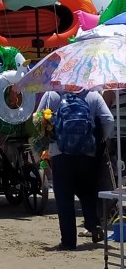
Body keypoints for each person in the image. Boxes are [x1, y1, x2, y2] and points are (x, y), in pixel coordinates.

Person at [38, 89, 114, 250]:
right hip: (87, 152)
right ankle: (93, 225)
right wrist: (99, 140)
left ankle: (68, 242)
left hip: (60, 152)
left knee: (64, 198)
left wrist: (48, 138)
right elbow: (108, 119)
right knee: (87, 191)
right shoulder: (93, 96)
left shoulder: (51, 95)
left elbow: (38, 121)